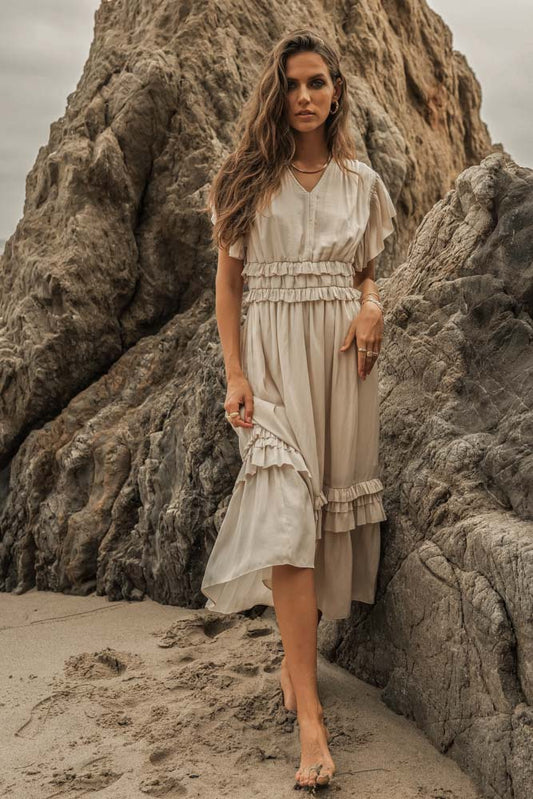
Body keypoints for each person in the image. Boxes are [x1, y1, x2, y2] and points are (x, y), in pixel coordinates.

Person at [201, 28, 396, 791]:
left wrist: (372, 304)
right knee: (285, 503)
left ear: (336, 91)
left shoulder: (361, 182)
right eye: (292, 85)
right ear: (275, 94)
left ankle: (294, 663)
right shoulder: (244, 178)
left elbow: (367, 271)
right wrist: (235, 374)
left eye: (317, 83)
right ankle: (309, 713)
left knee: (317, 517)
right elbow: (227, 288)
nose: (305, 96)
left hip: (343, 362)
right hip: (274, 362)